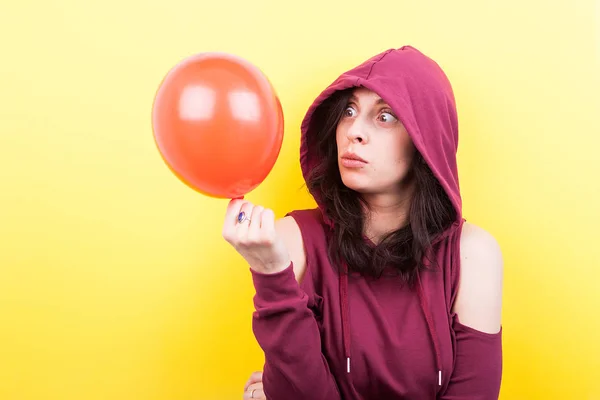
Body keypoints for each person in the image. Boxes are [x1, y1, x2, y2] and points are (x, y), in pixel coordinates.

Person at [223, 45, 503, 400]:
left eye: (385, 116)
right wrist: (271, 273)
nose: (354, 130)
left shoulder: (472, 255)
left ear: (425, 140)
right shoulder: (290, 240)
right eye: (349, 111)